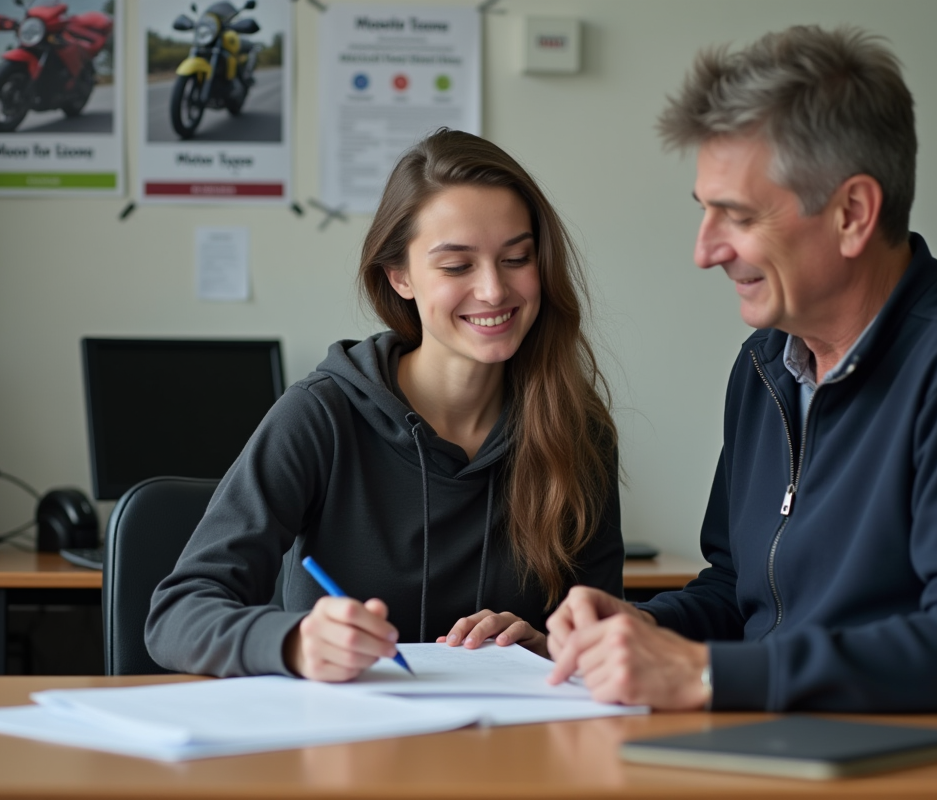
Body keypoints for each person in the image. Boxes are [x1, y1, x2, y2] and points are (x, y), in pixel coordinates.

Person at [546, 26, 937, 713]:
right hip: (777, 745)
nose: (705, 251)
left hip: (921, 768)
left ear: (853, 213)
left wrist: (705, 676)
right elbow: (737, 590)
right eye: (704, 212)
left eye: (734, 216)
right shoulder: (766, 365)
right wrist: (642, 630)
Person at [146, 129, 624, 681]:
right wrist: (296, 644)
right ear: (400, 276)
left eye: (516, 258)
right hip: (344, 751)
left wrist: (546, 647)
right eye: (456, 266)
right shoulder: (321, 415)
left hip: (508, 750)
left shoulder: (577, 431)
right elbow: (177, 614)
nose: (494, 289)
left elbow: (599, 636)